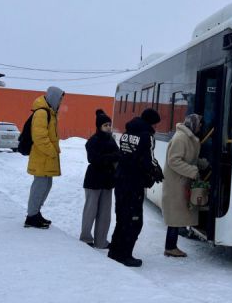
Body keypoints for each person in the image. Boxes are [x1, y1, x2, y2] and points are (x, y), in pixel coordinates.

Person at [108, 108, 164, 267]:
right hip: (134, 183)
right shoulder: (147, 136)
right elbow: (149, 159)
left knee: (121, 218)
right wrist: (156, 171)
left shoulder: (126, 133)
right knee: (134, 221)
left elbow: (126, 155)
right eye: (156, 124)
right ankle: (125, 255)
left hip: (120, 180)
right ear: (151, 122)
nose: (156, 127)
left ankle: (114, 251)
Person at [162, 113, 209, 258]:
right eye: (200, 124)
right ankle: (170, 247)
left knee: (177, 217)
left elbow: (189, 158)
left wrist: (202, 164)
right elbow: (174, 160)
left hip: (181, 182)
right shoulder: (181, 138)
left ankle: (171, 246)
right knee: (175, 217)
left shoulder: (188, 137)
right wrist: (193, 171)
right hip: (176, 183)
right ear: (193, 124)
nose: (201, 127)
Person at [24, 86, 65, 229]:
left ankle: (36, 213)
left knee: (46, 186)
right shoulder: (42, 113)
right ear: (53, 97)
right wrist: (52, 151)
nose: (61, 102)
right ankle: (31, 216)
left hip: (46, 158)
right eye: (60, 98)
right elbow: (39, 137)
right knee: (39, 187)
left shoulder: (50, 112)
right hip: (42, 157)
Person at [79, 109, 120, 248]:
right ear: (99, 126)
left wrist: (106, 158)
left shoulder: (112, 140)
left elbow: (118, 155)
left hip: (108, 181)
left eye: (109, 124)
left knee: (105, 214)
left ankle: (101, 241)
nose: (108, 127)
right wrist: (110, 158)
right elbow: (93, 159)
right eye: (105, 125)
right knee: (90, 211)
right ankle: (86, 238)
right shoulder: (92, 141)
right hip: (94, 180)